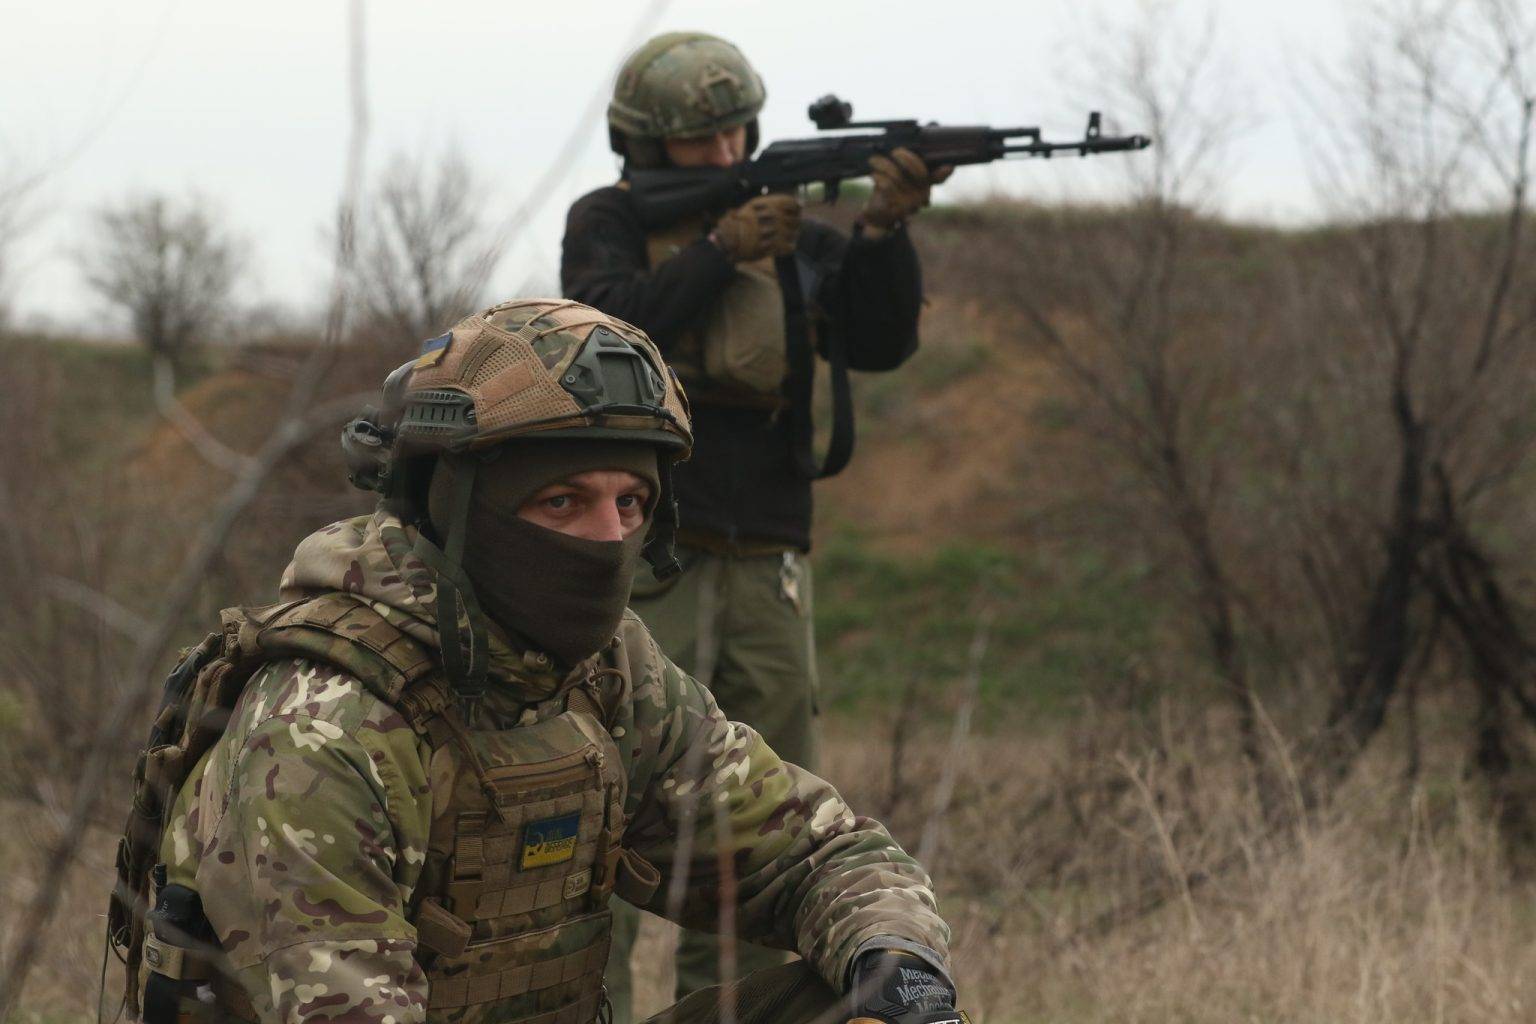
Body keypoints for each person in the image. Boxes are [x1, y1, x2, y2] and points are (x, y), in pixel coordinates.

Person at [128, 299, 964, 1024]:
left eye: (630, 502)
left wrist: (898, 969)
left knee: (875, 1000)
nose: (609, 538)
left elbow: (822, 857)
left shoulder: (605, 674)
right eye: (562, 500)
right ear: (459, 513)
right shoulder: (323, 727)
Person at [561, 33, 949, 1015]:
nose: (728, 151)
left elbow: (880, 338)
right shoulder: (609, 220)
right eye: (702, 139)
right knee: (608, 802)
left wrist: (885, 230)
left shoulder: (796, 239)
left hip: (771, 552)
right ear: (645, 141)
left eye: (738, 130)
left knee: (764, 819)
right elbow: (602, 331)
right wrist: (719, 251)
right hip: (654, 558)